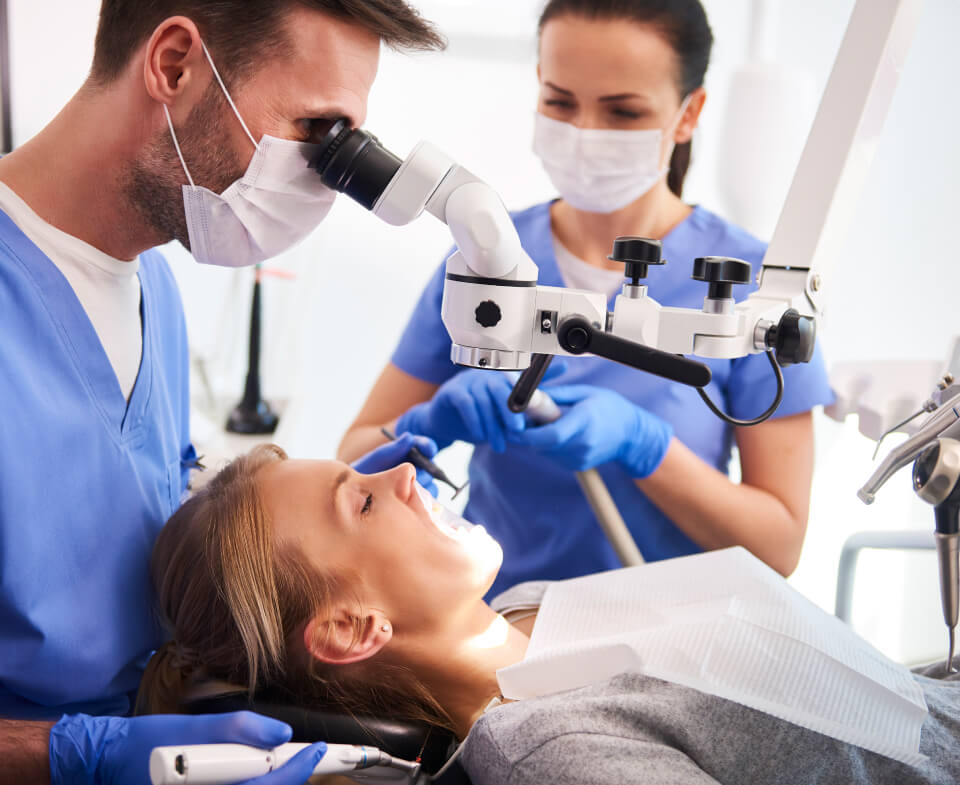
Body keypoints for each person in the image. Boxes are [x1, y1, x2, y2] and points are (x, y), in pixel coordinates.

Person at [0, 2, 444, 783]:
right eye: (315, 131)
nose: (325, 181)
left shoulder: (154, 293)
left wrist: (353, 504)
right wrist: (65, 755)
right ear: (174, 65)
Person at [336, 0, 835, 597]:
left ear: (688, 113)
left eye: (623, 111)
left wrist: (646, 447)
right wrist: (425, 425)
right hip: (502, 627)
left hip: (672, 644)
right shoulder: (486, 260)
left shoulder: (753, 284)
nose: (585, 135)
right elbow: (352, 460)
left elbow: (779, 546)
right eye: (560, 102)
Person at [140, 447, 960, 785]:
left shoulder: (526, 610)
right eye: (360, 499)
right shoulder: (545, 750)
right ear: (353, 628)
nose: (403, 475)